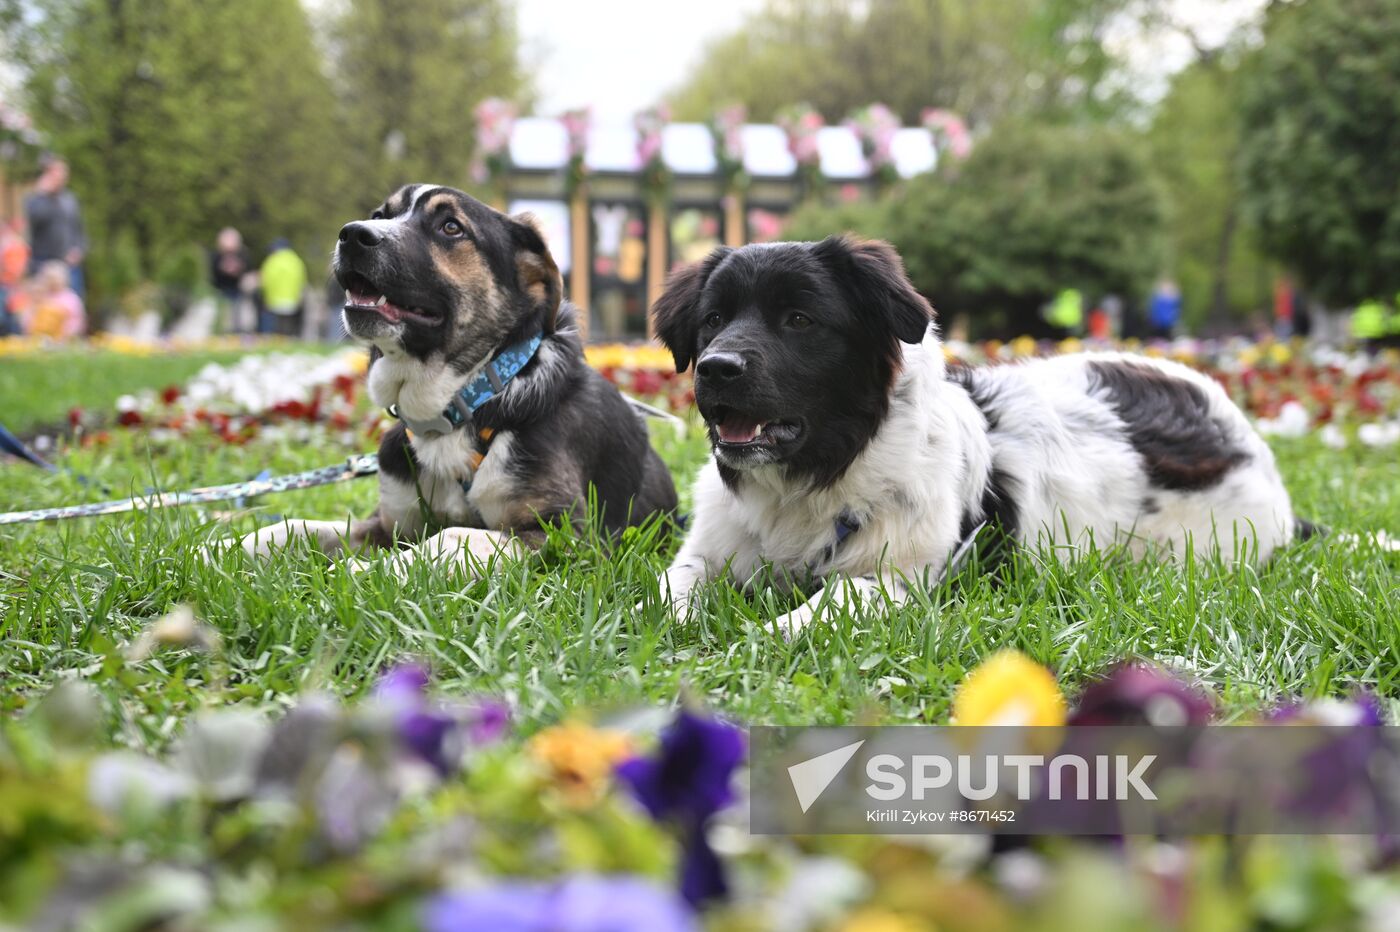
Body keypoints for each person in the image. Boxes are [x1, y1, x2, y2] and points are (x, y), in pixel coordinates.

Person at [24, 158, 86, 296]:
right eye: (56, 174)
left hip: (69, 264)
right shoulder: (35, 200)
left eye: (63, 174)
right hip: (43, 264)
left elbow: (79, 229)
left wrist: (79, 249)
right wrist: (43, 195)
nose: (60, 178)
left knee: (72, 305)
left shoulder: (70, 200)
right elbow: (35, 220)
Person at [19, 260, 85, 341]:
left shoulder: (71, 298)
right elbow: (28, 316)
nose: (53, 281)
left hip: (63, 338)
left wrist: (66, 334)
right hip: (38, 337)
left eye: (55, 278)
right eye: (49, 278)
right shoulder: (40, 294)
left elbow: (76, 321)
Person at [258, 238, 307, 337]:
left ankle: (276, 343)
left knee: (275, 329)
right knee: (287, 328)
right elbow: (302, 282)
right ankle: (287, 342)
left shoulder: (272, 261)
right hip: (291, 301)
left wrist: (265, 297)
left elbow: (266, 281)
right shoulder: (296, 261)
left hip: (274, 301)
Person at [210, 227, 252, 332]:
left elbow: (247, 268)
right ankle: (221, 331)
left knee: (236, 313)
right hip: (220, 288)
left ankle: (235, 331)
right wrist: (223, 269)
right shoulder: (217, 255)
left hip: (236, 288)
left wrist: (237, 269)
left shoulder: (242, 254)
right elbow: (212, 270)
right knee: (223, 312)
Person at [0, 220, 30, 336]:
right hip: (8, 284)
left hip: (10, 285)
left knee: (13, 315)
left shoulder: (14, 246)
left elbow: (16, 269)